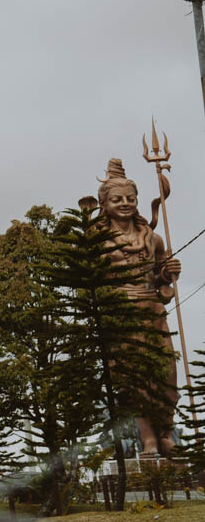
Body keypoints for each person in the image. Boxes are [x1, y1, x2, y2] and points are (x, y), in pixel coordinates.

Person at [95, 159, 182, 456]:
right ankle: (149, 438)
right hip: (122, 315)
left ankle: (167, 432)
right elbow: (92, 283)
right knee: (133, 379)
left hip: (153, 310)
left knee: (165, 374)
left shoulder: (153, 239)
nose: (125, 203)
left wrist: (169, 272)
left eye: (130, 198)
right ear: (103, 204)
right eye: (117, 199)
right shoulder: (98, 240)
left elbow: (162, 282)